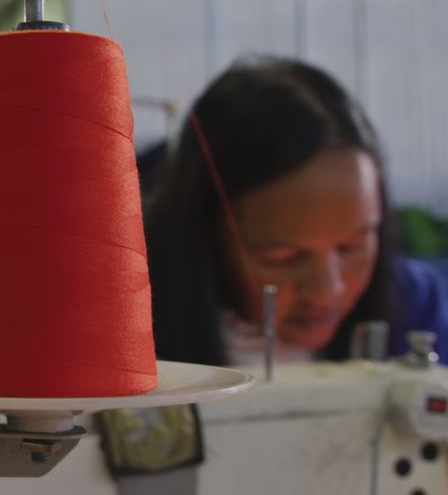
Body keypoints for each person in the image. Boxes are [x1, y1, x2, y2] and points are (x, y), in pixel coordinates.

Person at [145, 56, 448, 366]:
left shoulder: (414, 306)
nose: (326, 291)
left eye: (352, 246)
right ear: (205, 232)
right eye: (283, 257)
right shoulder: (127, 319)